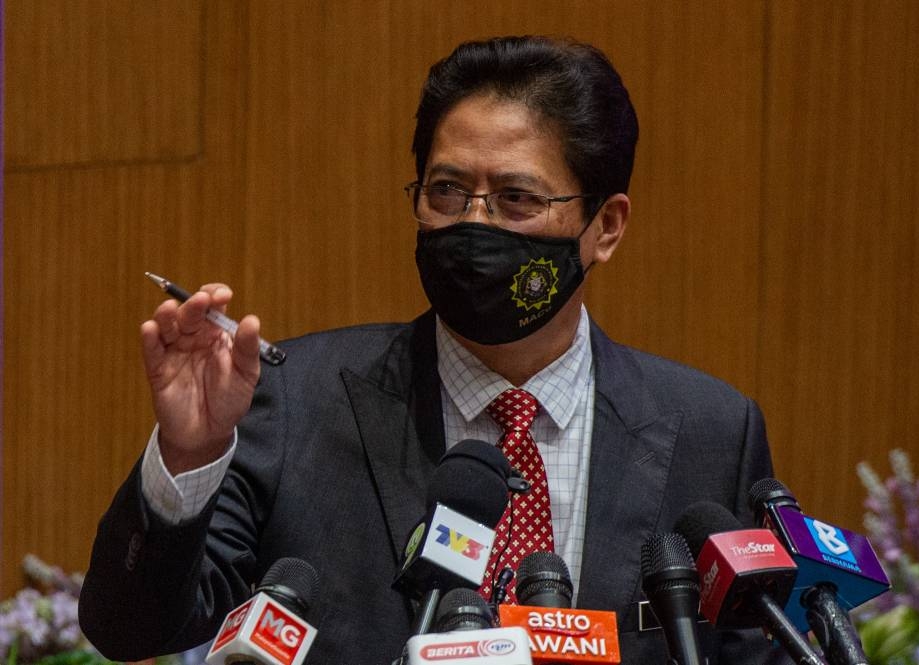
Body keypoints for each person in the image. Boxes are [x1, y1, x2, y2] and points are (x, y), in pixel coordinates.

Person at [80, 36, 786, 664]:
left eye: (515, 199)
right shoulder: (294, 400)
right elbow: (130, 629)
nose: (472, 224)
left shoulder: (712, 432)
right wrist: (187, 460)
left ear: (605, 225)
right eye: (447, 191)